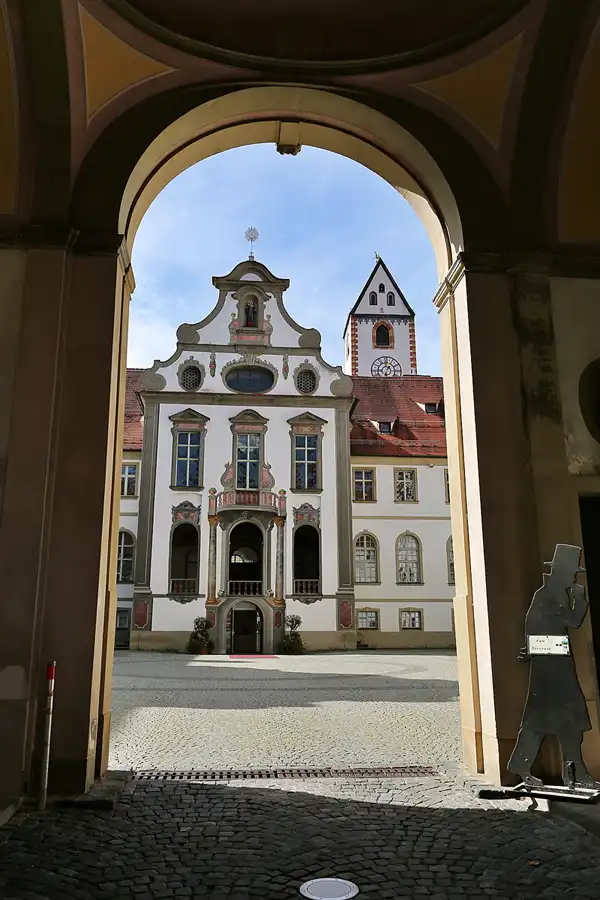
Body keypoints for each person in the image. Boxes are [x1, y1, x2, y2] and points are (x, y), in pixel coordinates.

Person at [508, 544, 597, 787]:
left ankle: (575, 774)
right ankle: (523, 766)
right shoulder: (547, 595)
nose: (574, 578)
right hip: (550, 672)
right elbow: (573, 621)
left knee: (568, 723)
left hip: (557, 668)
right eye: (572, 573)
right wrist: (580, 599)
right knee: (539, 723)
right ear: (561, 572)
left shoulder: (553, 594)